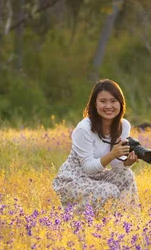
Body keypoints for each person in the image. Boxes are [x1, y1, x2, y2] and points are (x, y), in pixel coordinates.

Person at [52, 79, 140, 213]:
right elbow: (87, 168)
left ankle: (128, 222)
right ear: (95, 104)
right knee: (109, 191)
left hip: (97, 176)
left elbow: (116, 165)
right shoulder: (84, 128)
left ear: (121, 103)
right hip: (73, 180)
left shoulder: (124, 125)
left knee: (126, 174)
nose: (108, 106)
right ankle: (83, 221)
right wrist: (112, 154)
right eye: (103, 101)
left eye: (113, 101)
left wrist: (128, 161)